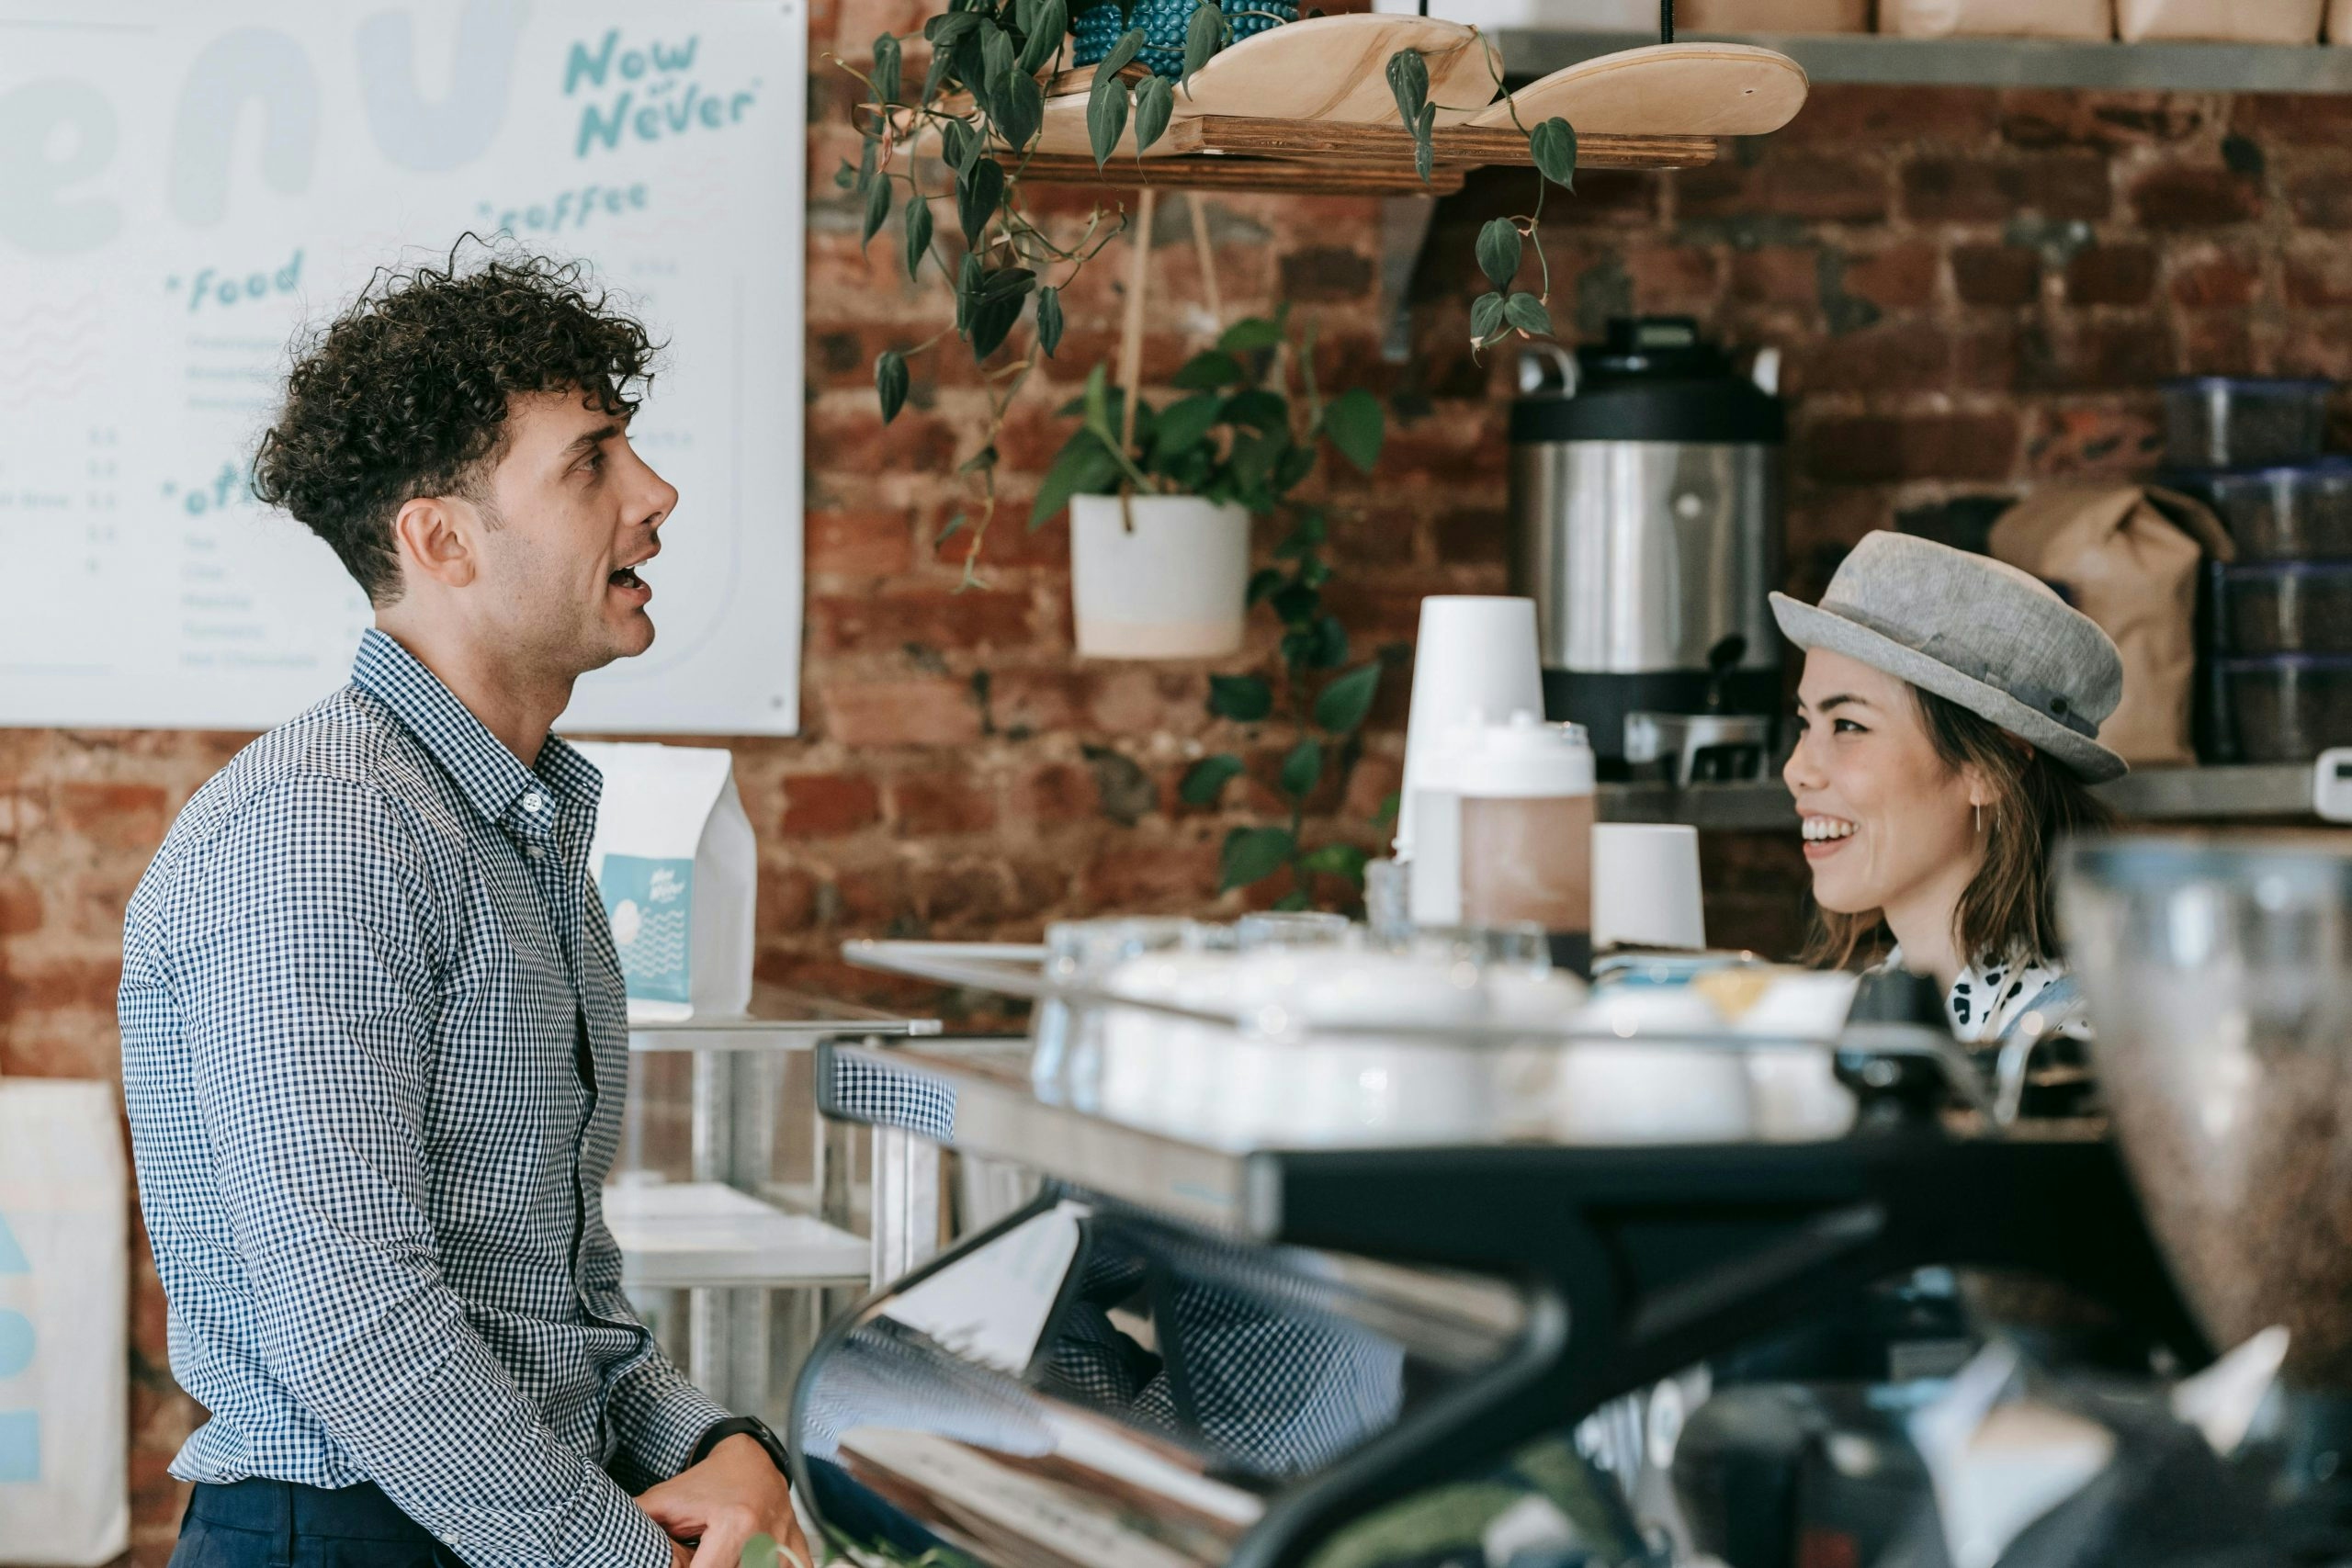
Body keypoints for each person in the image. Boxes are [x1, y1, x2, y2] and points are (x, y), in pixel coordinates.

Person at [119, 247, 811, 1568]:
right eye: (592, 461)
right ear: (439, 538)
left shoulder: (508, 823)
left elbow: (553, 1293)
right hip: (348, 1534)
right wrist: (613, 1554)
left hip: (494, 1521)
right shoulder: (322, 832)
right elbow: (354, 1315)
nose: (656, 497)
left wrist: (711, 1442)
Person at [1773, 529, 2124, 1045]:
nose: (1797, 769)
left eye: (1848, 725)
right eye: (1807, 724)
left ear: (1990, 768)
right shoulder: (1856, 1013)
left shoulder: (2063, 1048)